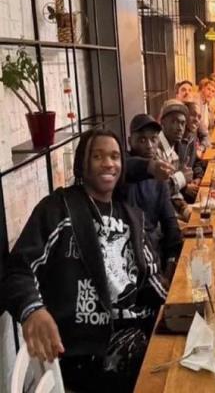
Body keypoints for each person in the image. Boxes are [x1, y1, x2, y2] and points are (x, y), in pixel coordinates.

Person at [2, 129, 166, 392]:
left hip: (139, 338)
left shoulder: (131, 216)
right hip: (87, 355)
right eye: (97, 156)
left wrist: (183, 305)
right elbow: (17, 269)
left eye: (115, 156)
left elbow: (151, 279)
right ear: (82, 164)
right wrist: (33, 310)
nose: (108, 163)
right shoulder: (58, 209)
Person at [126, 114, 183, 272]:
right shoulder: (124, 168)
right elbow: (127, 166)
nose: (149, 145)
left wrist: (172, 260)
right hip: (129, 252)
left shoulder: (159, 176)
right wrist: (149, 167)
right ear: (130, 141)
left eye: (153, 139)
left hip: (155, 250)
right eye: (142, 140)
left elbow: (169, 220)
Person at [157, 100, 193, 222]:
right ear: (162, 123)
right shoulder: (154, 149)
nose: (179, 128)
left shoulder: (173, 154)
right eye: (174, 122)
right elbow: (158, 192)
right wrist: (181, 177)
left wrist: (188, 212)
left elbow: (174, 195)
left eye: (182, 123)